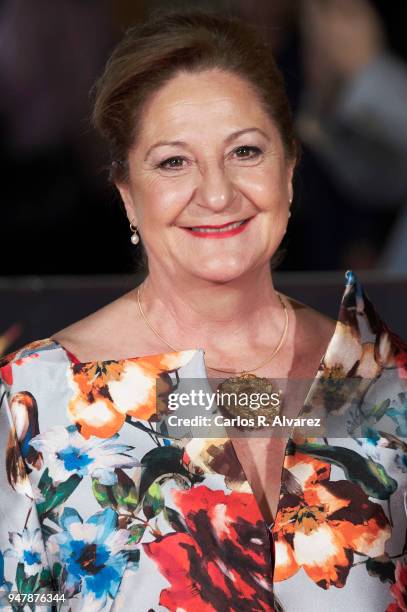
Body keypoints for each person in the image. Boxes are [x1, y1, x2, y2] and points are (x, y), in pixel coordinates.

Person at [0, 11, 406, 612]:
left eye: (245, 151)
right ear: (126, 194)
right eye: (173, 162)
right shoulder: (36, 401)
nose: (217, 194)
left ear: (289, 172)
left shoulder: (379, 377)